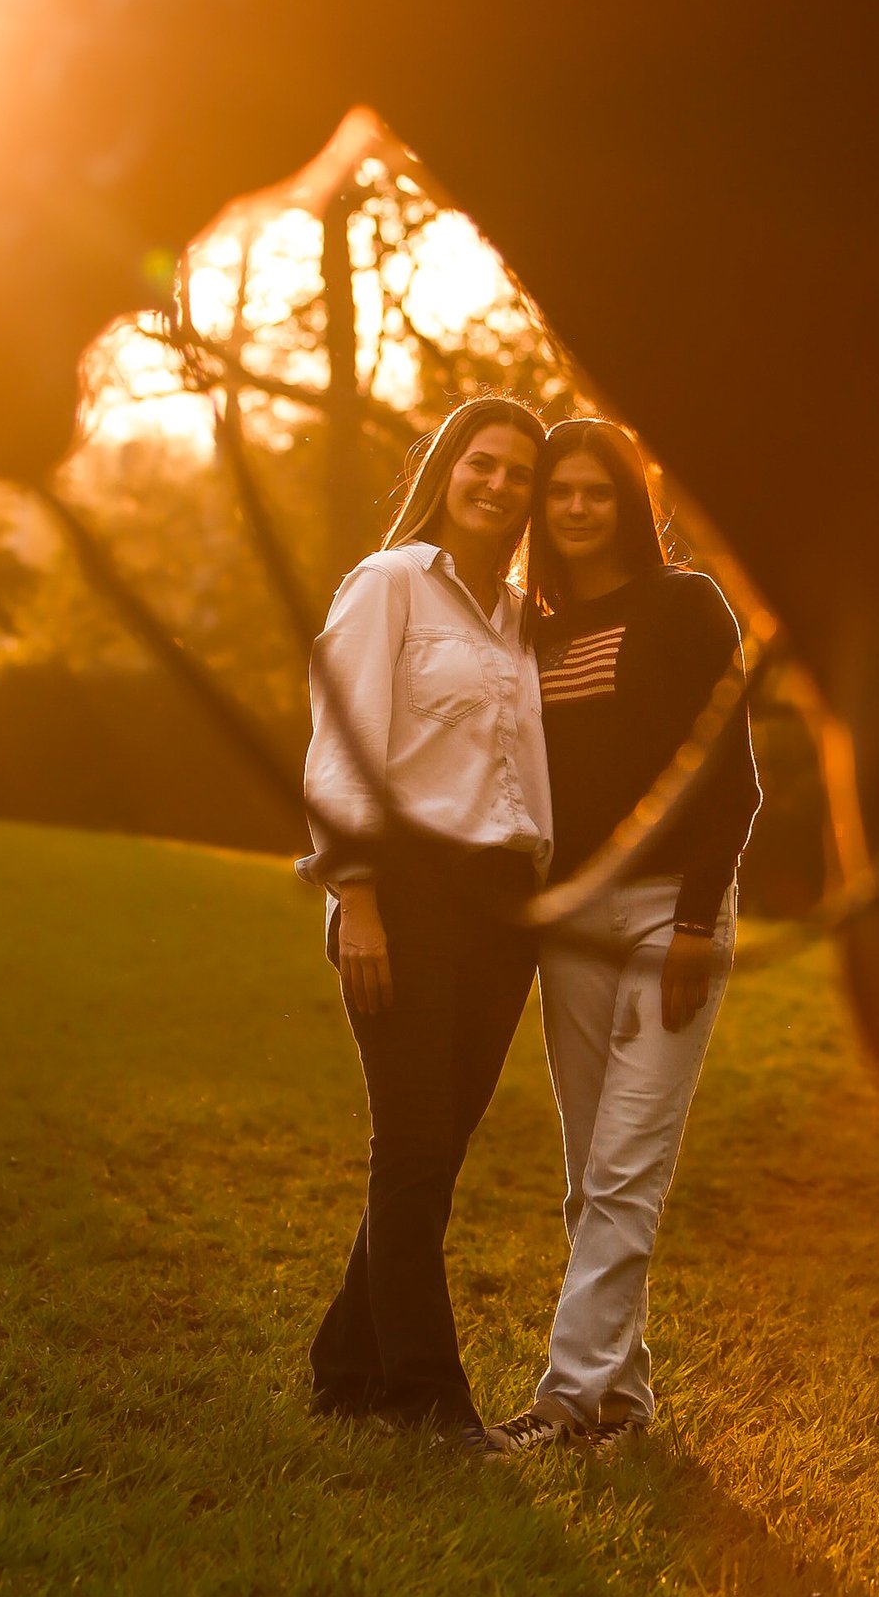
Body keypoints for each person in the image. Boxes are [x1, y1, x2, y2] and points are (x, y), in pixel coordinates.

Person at [487, 419, 760, 1458]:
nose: (576, 507)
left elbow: (730, 779)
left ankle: (566, 1403)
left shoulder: (685, 604)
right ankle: (622, 1399)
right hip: (574, 924)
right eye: (559, 491)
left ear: (629, 503)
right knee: (587, 1174)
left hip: (668, 916)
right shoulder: (536, 630)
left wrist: (693, 920)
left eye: (597, 490)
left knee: (623, 1170)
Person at [302, 397, 551, 1450]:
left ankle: (345, 1367)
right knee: (410, 1144)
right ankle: (429, 1399)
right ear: (447, 467)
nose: (498, 484)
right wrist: (355, 893)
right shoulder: (390, 582)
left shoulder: (524, 617)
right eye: (481, 462)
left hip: (505, 906)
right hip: (404, 892)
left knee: (436, 1151)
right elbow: (344, 736)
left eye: (519, 473)